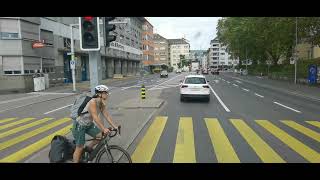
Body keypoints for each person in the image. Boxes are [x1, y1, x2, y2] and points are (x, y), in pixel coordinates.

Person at [72, 85, 118, 163]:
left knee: (100, 136)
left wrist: (115, 126)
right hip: (79, 125)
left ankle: (87, 149)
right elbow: (95, 117)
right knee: (79, 147)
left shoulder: (101, 103)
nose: (107, 94)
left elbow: (106, 115)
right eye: (105, 93)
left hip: (89, 125)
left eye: (107, 93)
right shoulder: (92, 102)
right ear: (99, 94)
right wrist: (104, 129)